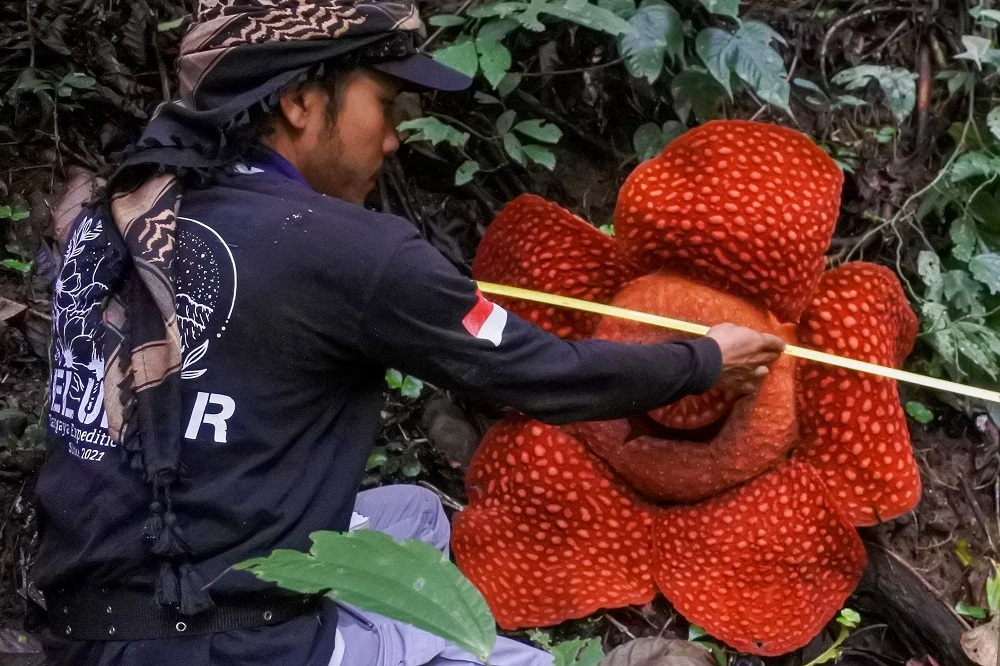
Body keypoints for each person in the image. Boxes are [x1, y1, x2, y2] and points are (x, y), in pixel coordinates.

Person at [31, 1, 786, 665]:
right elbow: (546, 373)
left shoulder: (120, 214)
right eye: (385, 104)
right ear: (300, 100)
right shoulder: (351, 250)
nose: (395, 138)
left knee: (416, 516)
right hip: (234, 639)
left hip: (85, 616)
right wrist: (702, 361)